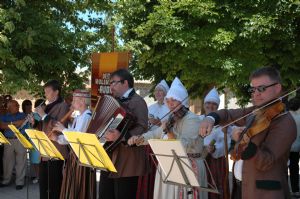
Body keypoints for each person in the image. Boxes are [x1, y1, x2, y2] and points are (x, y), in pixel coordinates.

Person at [199, 66, 297, 199]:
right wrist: (211, 118)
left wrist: (244, 141)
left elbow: (265, 161)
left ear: (277, 88)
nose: (256, 93)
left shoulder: (285, 122)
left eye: (261, 88)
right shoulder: (256, 111)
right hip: (241, 187)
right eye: (253, 89)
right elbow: (228, 114)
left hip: (262, 193)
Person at [128, 77, 208, 199]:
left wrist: (169, 131)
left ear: (182, 102)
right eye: (168, 100)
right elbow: (155, 134)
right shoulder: (171, 118)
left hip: (187, 166)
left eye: (174, 100)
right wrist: (140, 138)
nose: (170, 103)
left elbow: (184, 145)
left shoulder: (192, 119)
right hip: (169, 164)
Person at [98, 69, 148, 199]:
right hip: (110, 156)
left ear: (125, 82)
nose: (111, 86)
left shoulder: (138, 101)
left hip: (128, 160)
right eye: (110, 84)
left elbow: (142, 127)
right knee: (105, 194)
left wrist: (121, 137)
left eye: (113, 83)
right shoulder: (114, 101)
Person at [52, 89, 96, 199]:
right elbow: (69, 138)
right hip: (75, 156)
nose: (72, 103)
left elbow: (77, 137)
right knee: (72, 186)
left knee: (80, 186)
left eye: (74, 100)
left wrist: (63, 129)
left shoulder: (87, 116)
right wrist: (57, 138)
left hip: (83, 158)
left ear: (81, 101)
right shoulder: (79, 117)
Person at [35, 80, 70, 199]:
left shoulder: (63, 106)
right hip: (44, 151)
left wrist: (44, 115)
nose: (46, 95)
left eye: (48, 92)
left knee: (55, 186)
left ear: (56, 92)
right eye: (45, 92)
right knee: (43, 185)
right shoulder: (48, 107)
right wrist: (34, 122)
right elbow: (44, 127)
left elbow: (59, 125)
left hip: (56, 150)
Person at [136, 79, 170, 199]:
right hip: (149, 143)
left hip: (162, 145)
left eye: (161, 91)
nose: (158, 93)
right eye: (157, 91)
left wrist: (159, 122)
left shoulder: (170, 108)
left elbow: (169, 126)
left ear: (166, 93)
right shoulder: (150, 107)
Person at [200, 88, 230, 199]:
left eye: (214, 104)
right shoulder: (197, 120)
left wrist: (215, 149)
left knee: (215, 188)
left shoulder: (223, 124)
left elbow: (227, 144)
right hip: (199, 158)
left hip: (215, 161)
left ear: (217, 107)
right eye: (208, 103)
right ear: (204, 105)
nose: (210, 106)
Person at [0, 100, 27, 190]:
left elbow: (23, 122)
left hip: (20, 140)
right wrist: (15, 123)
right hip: (9, 141)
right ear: (9, 107)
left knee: (21, 161)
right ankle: (6, 180)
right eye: (16, 105)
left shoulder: (22, 115)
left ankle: (20, 182)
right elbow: (2, 126)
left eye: (17, 104)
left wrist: (9, 124)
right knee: (7, 161)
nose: (18, 106)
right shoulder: (4, 116)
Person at [287, 97, 300, 197]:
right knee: (294, 169)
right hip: (296, 147)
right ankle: (295, 191)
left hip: (285, 147)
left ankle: (284, 190)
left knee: (282, 169)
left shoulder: (285, 117)